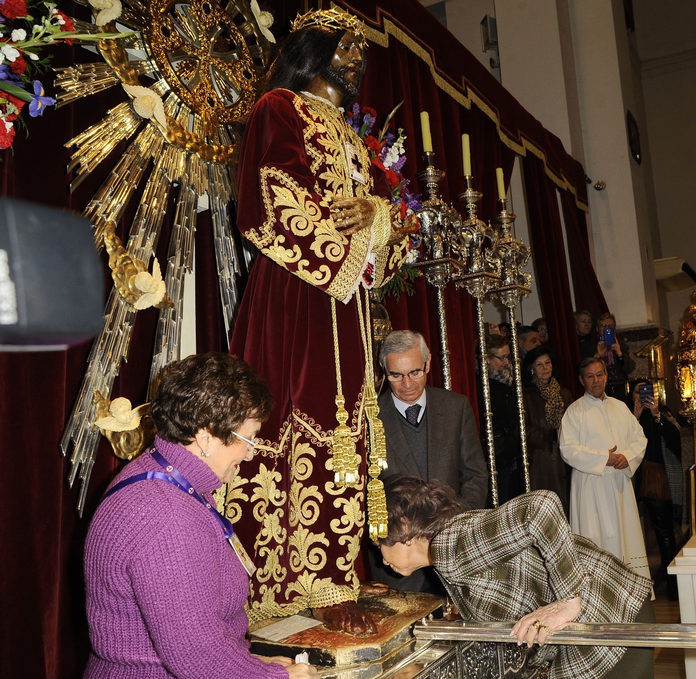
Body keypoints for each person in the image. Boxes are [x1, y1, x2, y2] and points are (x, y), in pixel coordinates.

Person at [228, 8, 417, 630]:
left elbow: (375, 225)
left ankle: (336, 574)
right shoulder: (278, 108)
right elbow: (269, 199)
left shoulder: (352, 138)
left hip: (347, 309)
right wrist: (345, 251)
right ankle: (279, 582)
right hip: (297, 297)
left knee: (347, 432)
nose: (357, 57)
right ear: (317, 47)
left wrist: (377, 219)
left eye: (363, 49)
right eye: (346, 45)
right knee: (294, 413)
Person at [83, 353, 318, 679]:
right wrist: (279, 677)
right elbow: (198, 657)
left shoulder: (162, 475)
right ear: (205, 435)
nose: (251, 452)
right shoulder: (166, 516)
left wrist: (253, 664)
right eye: (247, 439)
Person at [375, 476, 655, 679]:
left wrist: (570, 599)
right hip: (614, 610)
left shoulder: (450, 546)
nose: (381, 558)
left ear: (404, 528)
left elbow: (541, 508)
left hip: (610, 618)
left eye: (380, 544)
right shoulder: (447, 549)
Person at [369, 330, 488, 591]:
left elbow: (476, 475)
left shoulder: (455, 407)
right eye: (396, 375)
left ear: (428, 363)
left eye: (415, 372)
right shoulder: (369, 417)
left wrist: (452, 527)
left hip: (453, 552)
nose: (407, 384)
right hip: (396, 560)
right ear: (382, 369)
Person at [560, 358, 649, 580]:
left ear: (606, 376)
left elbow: (640, 439)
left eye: (600, 374)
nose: (596, 380)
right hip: (590, 486)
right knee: (594, 535)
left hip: (619, 484)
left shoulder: (619, 407)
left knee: (624, 535)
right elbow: (568, 449)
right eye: (590, 376)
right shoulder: (574, 412)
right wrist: (604, 458)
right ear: (582, 380)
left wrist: (626, 457)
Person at [631, 379, 682, 598]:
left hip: (658, 481)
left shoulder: (662, 413)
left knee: (665, 532)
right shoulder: (627, 416)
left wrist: (656, 414)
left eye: (647, 391)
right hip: (633, 481)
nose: (643, 396)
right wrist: (634, 415)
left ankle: (673, 585)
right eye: (638, 392)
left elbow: (675, 438)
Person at [522, 345, 573, 515]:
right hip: (540, 461)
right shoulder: (526, 395)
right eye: (539, 365)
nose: (545, 368)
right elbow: (522, 430)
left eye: (548, 363)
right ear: (531, 369)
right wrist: (547, 435)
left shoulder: (564, 393)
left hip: (565, 458)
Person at [484, 334, 524, 504]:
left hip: (511, 455)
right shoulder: (483, 386)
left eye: (508, 356)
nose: (506, 362)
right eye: (501, 358)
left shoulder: (511, 382)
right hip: (494, 457)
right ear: (487, 359)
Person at [595, 312, 629, 402]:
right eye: (603, 326)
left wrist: (619, 353)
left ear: (614, 329)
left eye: (609, 326)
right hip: (599, 388)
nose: (606, 329)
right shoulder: (591, 345)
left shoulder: (621, 344)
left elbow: (628, 369)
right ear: (597, 329)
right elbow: (585, 369)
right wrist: (598, 355)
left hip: (619, 387)